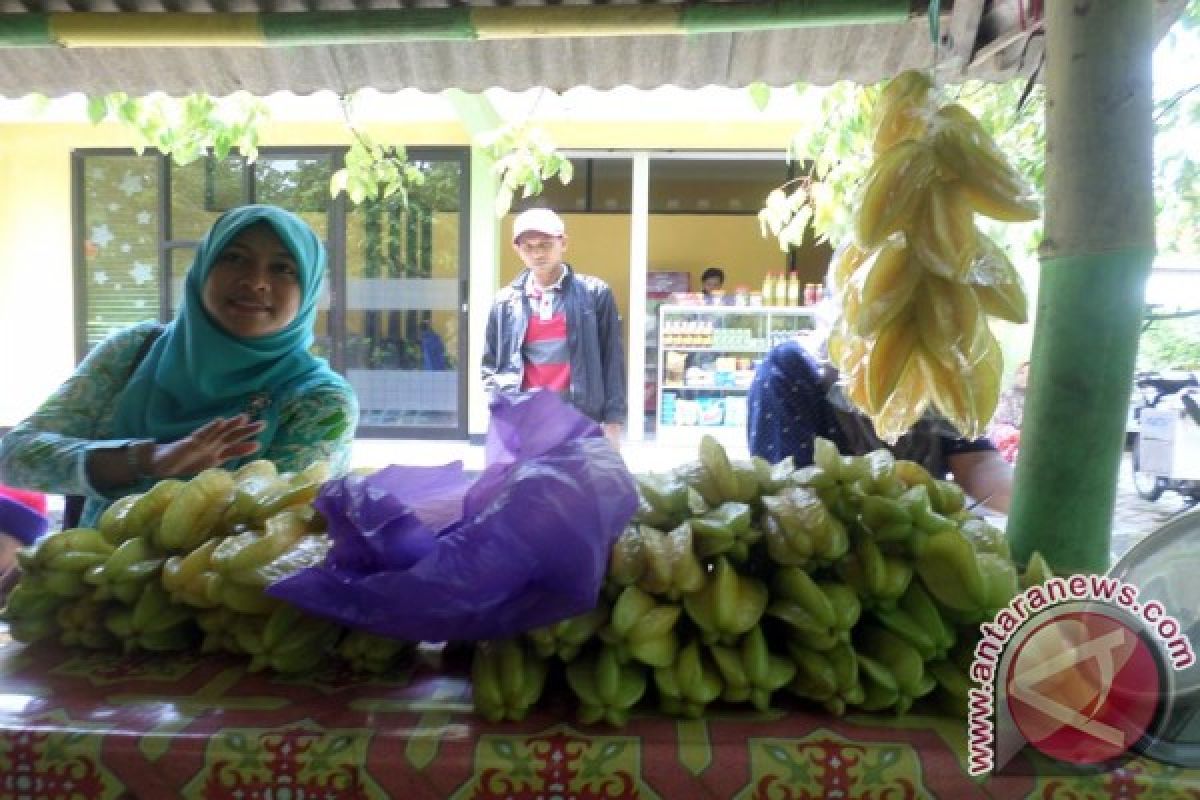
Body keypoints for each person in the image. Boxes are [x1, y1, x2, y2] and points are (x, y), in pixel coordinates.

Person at [0, 204, 359, 528]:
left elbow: (281, 532)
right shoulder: (133, 351)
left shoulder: (319, 403)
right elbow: (13, 455)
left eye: (283, 268)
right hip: (86, 586)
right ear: (202, 268)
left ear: (310, 288)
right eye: (234, 258)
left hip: (215, 598)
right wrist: (146, 458)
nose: (255, 281)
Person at [747, 339, 1014, 513]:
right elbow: (790, 498)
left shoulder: (937, 375)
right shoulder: (792, 368)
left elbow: (977, 461)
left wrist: (1034, 506)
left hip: (921, 564)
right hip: (827, 574)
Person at [481, 208, 626, 450]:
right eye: (528, 247)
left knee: (578, 487)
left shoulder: (594, 294)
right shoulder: (505, 302)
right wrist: (501, 408)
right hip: (526, 422)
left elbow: (612, 362)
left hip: (579, 420)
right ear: (517, 249)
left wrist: (612, 423)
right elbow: (491, 365)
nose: (538, 253)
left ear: (564, 243)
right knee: (529, 488)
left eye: (546, 244)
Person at [989, 360, 1029, 464]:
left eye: (1029, 373)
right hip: (1003, 432)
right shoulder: (1007, 394)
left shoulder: (1035, 401)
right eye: (1021, 373)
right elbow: (999, 421)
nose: (1024, 377)